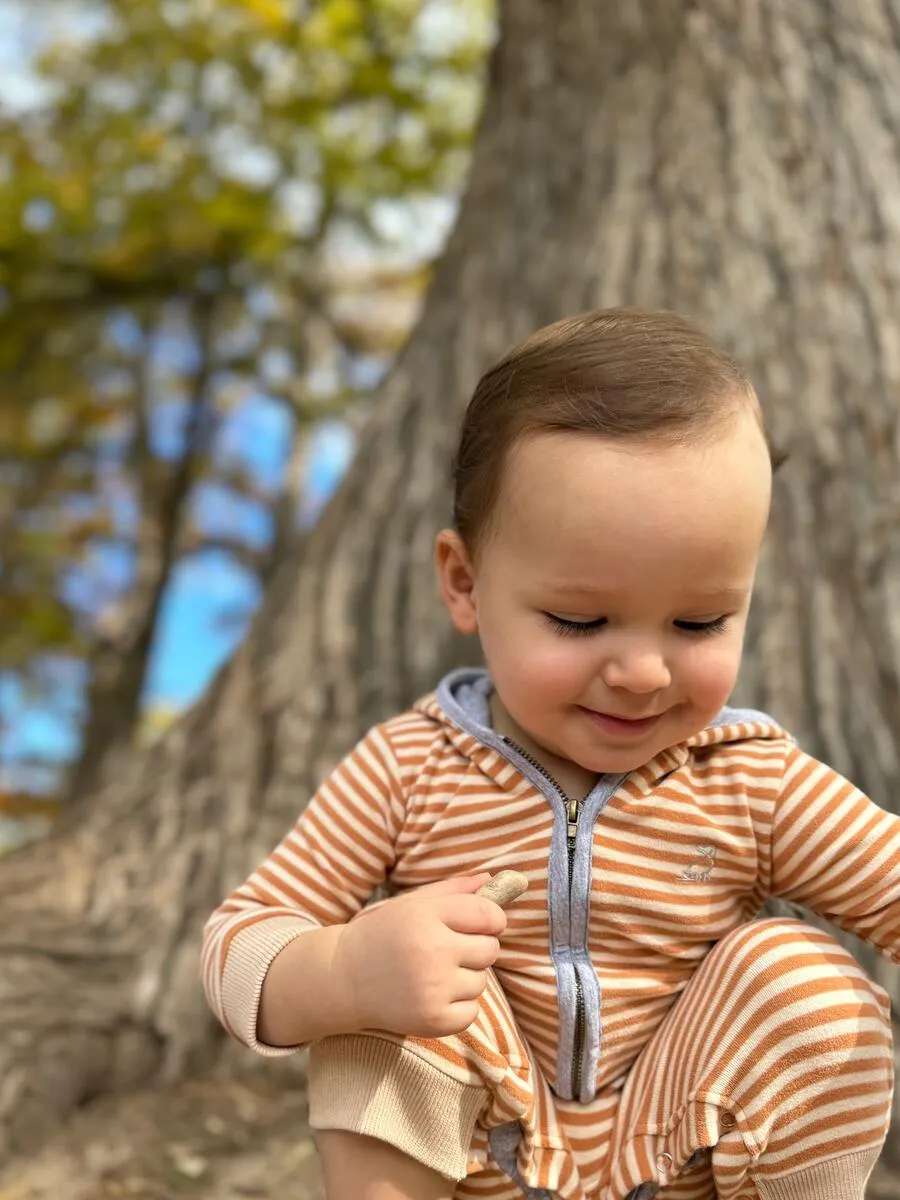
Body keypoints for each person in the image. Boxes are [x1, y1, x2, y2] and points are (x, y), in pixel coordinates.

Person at [201, 308, 898, 1200]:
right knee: (392, 983)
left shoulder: (748, 782)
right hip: (478, 1159)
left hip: (680, 1153)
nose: (643, 672)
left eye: (699, 621)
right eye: (578, 620)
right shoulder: (408, 768)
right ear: (466, 583)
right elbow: (237, 940)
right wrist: (339, 972)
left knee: (803, 977)